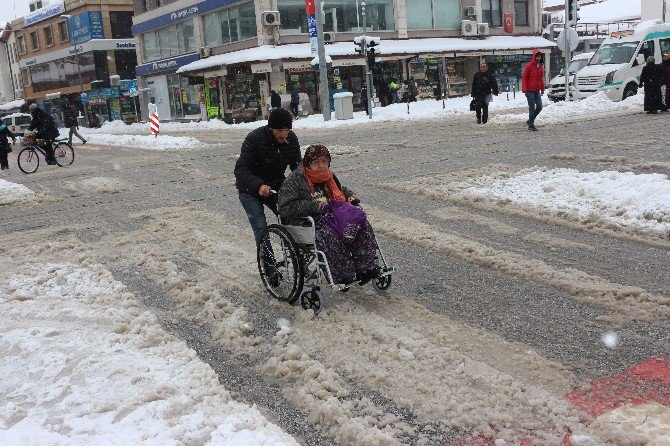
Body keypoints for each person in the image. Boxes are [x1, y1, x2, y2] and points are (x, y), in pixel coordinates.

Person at [278, 144, 380, 285]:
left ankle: (366, 268)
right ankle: (343, 275)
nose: (321, 166)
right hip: (308, 222)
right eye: (316, 162)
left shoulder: (328, 175)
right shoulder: (295, 180)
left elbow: (339, 189)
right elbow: (285, 207)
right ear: (308, 163)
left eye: (324, 162)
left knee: (361, 225)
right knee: (328, 234)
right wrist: (313, 206)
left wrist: (349, 195)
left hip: (332, 217)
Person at [234, 107, 301, 249]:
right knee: (261, 227)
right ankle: (269, 268)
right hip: (250, 190)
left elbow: (297, 167)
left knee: (291, 217)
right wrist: (259, 186)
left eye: (287, 130)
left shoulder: (291, 139)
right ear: (271, 128)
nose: (284, 135)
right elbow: (240, 170)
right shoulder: (254, 139)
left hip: (276, 186)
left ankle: (296, 258)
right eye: (279, 131)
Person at [522, 49, 545, 131]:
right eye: (537, 56)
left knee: (539, 106)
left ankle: (530, 120)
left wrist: (542, 89)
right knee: (532, 107)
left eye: (540, 56)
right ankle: (531, 125)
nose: (538, 58)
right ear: (534, 57)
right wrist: (525, 90)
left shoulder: (541, 66)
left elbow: (540, 79)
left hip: (536, 90)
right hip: (529, 90)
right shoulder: (529, 65)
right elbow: (524, 77)